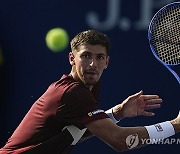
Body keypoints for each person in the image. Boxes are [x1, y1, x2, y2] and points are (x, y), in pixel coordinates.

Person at [0, 30, 179, 154]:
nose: (93, 64)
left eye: (99, 57)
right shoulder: (73, 93)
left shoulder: (87, 87)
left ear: (107, 62)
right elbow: (120, 140)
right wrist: (176, 125)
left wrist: (118, 113)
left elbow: (74, 134)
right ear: (72, 58)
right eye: (86, 56)